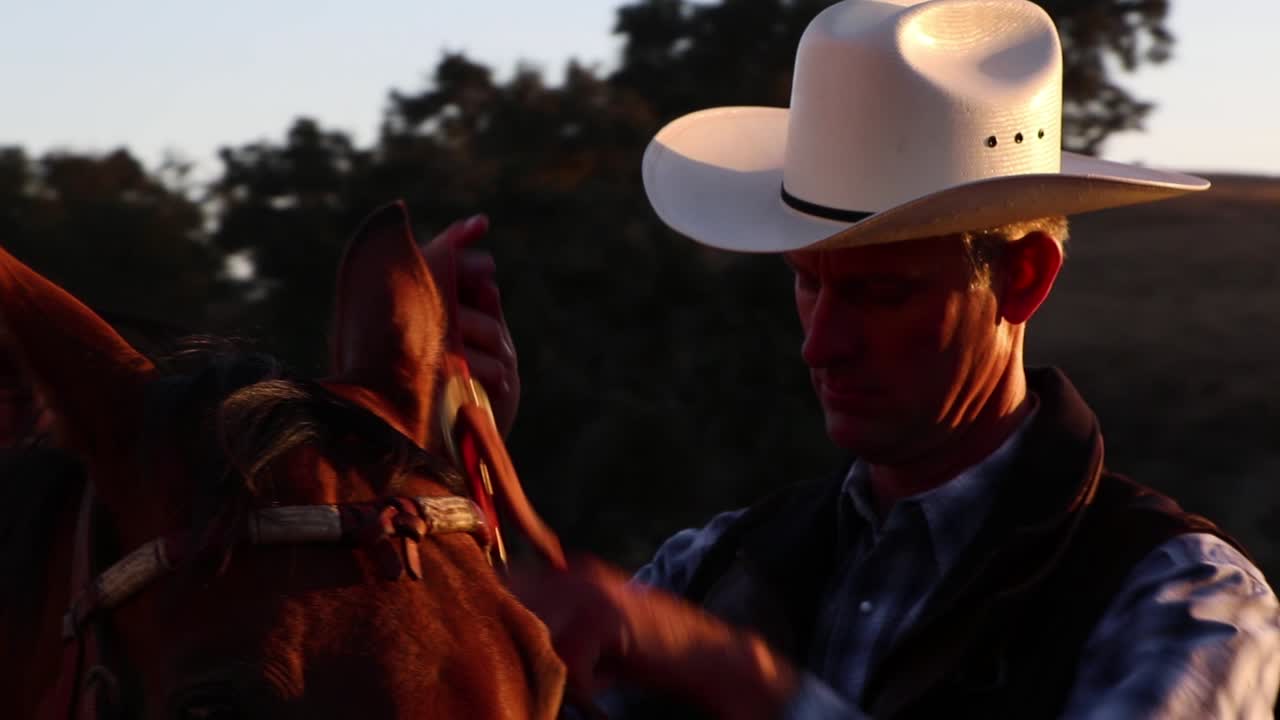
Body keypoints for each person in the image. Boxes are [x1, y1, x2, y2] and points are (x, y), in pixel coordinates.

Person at [431, 1, 1280, 716]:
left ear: (1022, 279)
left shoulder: (1184, 603)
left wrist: (748, 682)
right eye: (806, 283)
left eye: (883, 295)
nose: (820, 342)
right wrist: (437, 461)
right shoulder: (715, 564)